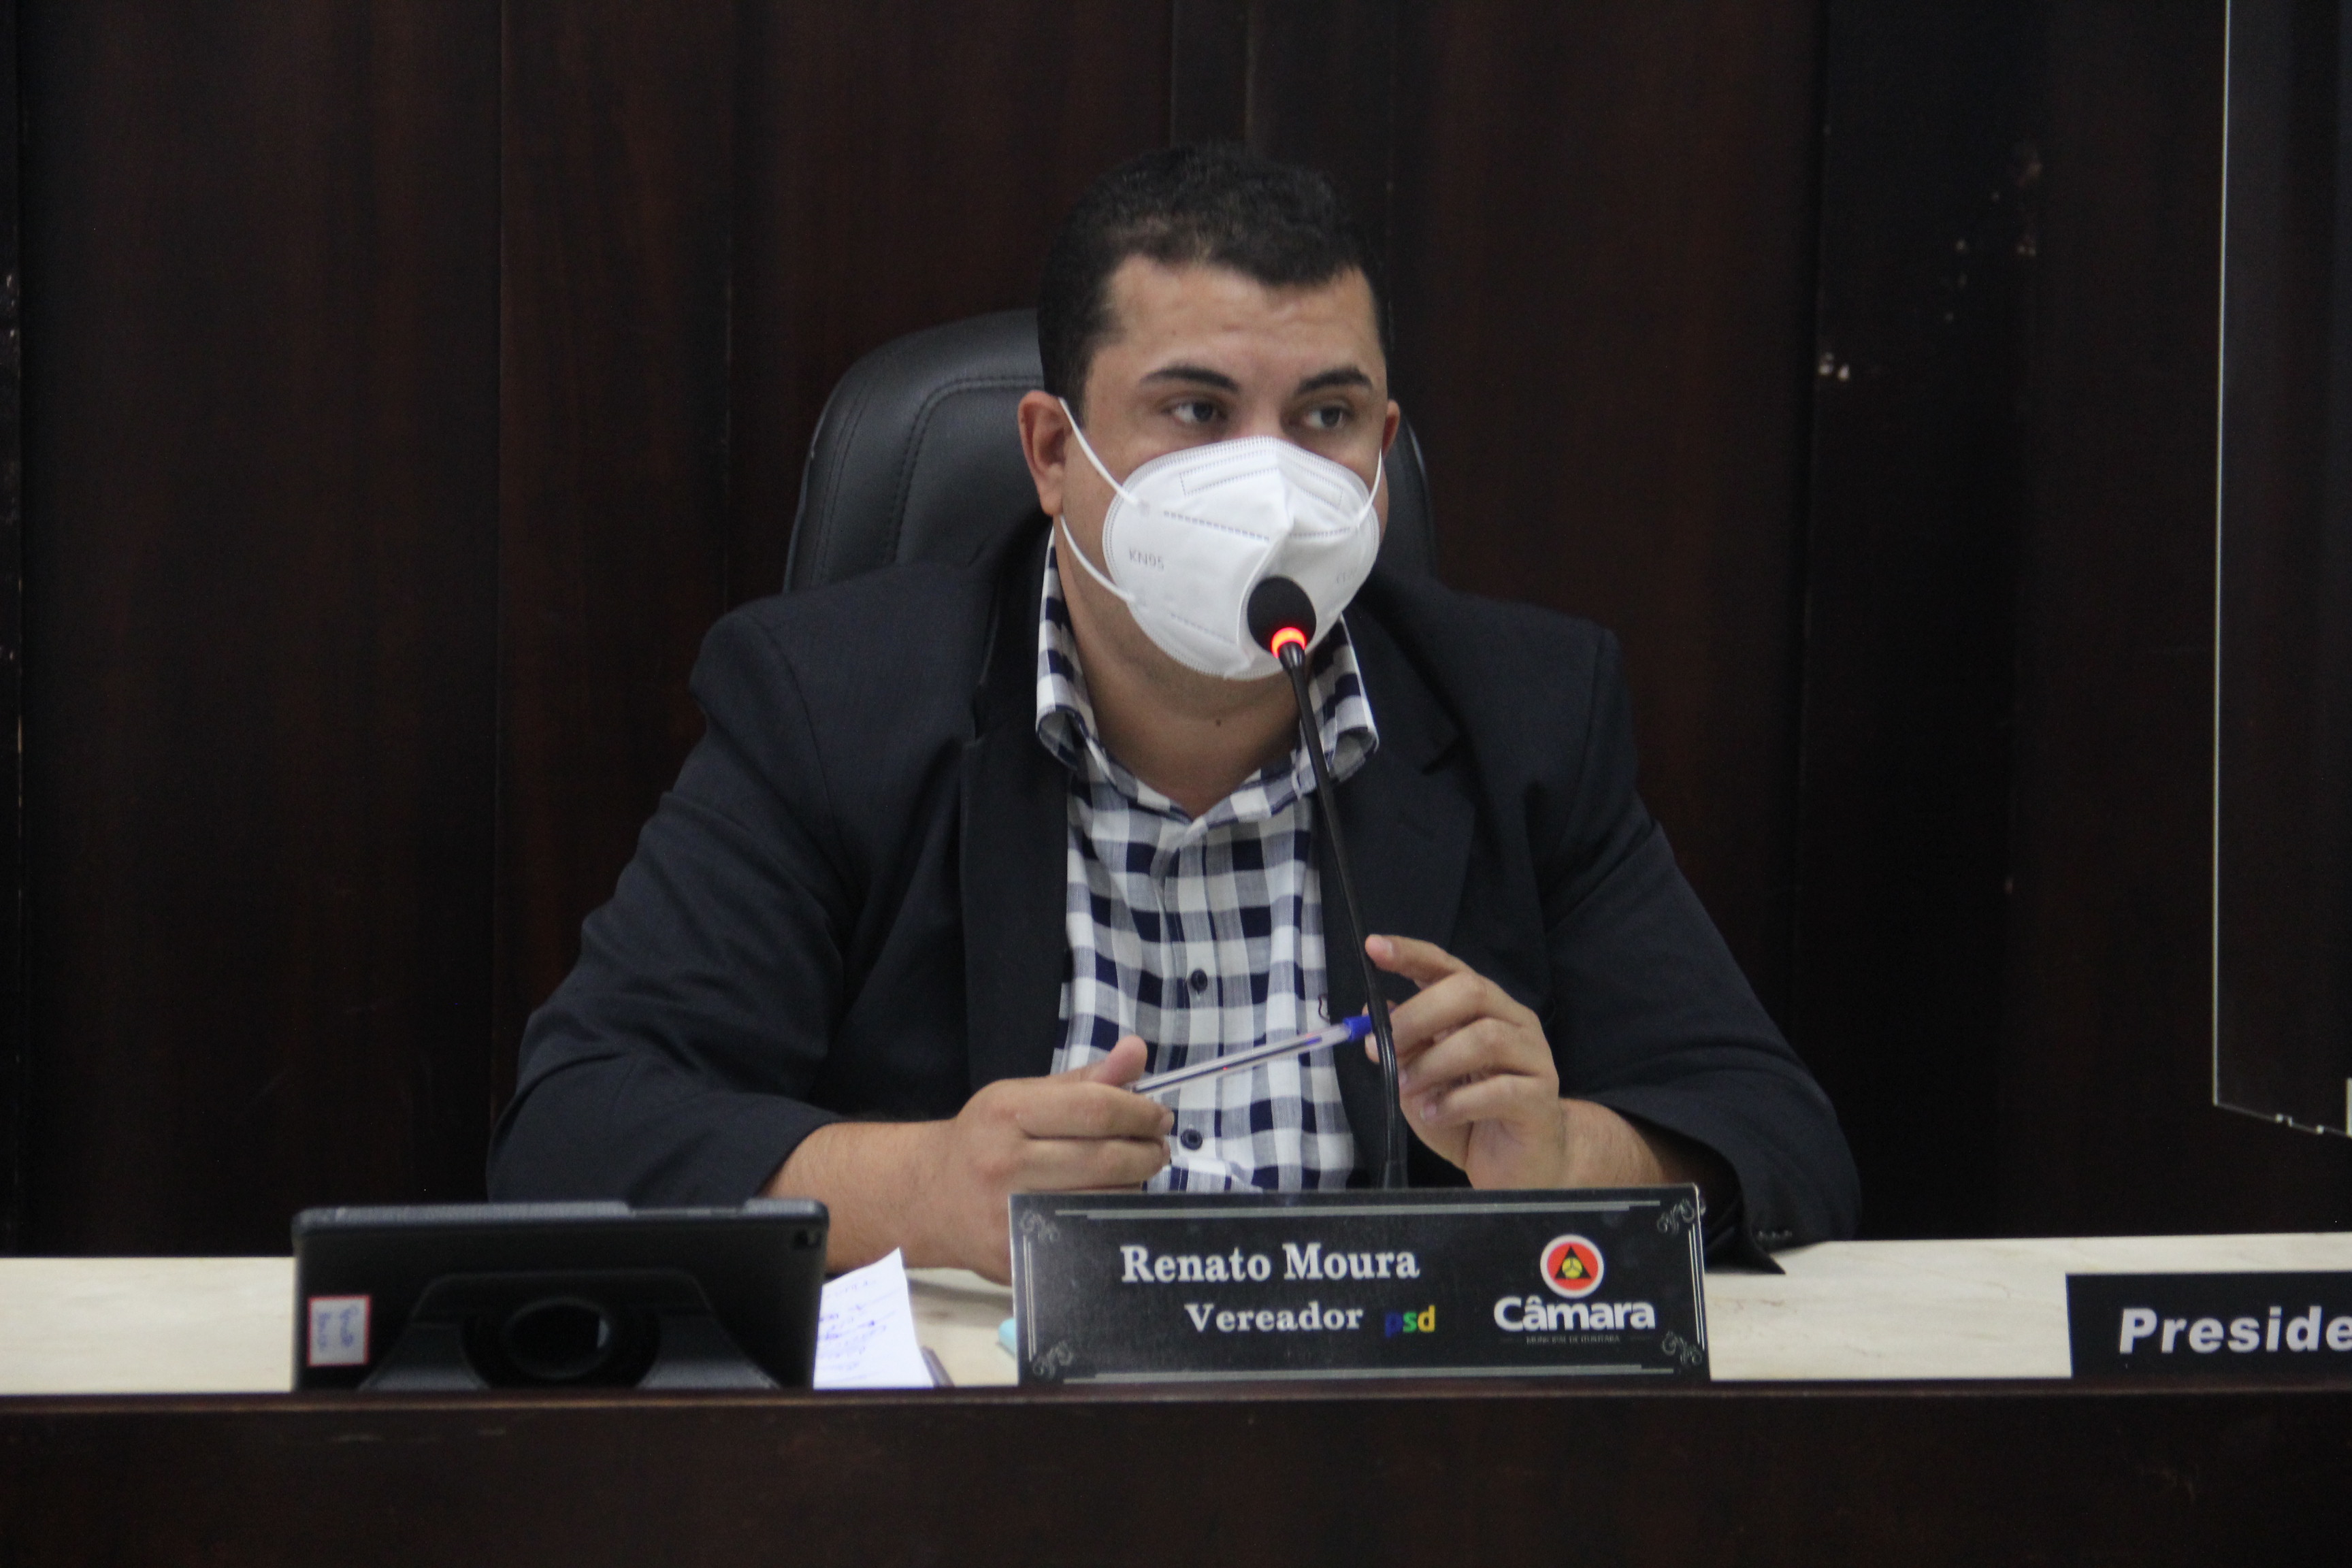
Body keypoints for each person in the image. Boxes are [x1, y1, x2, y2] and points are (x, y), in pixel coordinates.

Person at [488, 145, 1858, 1279]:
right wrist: (923, 1192)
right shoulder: (831, 707)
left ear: (1385, 453)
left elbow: (1778, 1137)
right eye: (1196, 411)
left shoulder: (1526, 713)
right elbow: (573, 1133)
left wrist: (1568, 1162)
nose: (1271, 482)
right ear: (1051, 453)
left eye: (1327, 417)